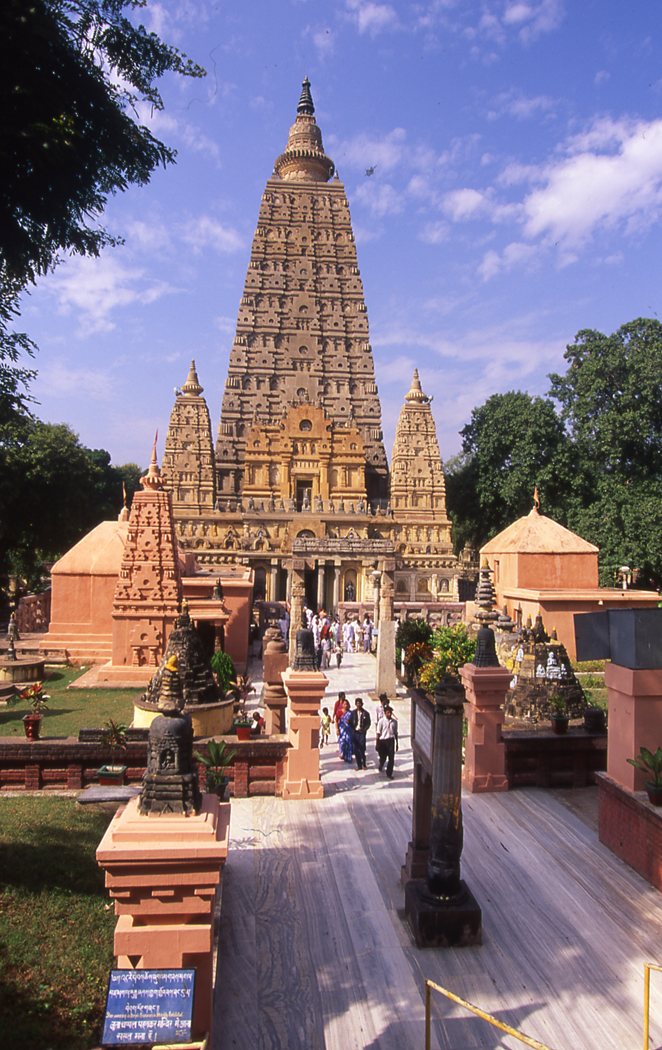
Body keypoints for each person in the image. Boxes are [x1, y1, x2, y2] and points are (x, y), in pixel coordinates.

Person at [376, 705, 398, 779]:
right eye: (388, 713)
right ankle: (381, 764)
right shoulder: (381, 721)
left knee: (391, 758)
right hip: (383, 741)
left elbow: (395, 733)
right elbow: (378, 732)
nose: (389, 714)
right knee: (383, 756)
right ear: (385, 713)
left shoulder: (394, 722)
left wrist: (397, 743)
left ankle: (389, 773)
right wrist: (377, 743)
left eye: (390, 713)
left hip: (391, 740)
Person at [348, 697, 371, 771]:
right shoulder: (353, 713)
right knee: (356, 749)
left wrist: (364, 729)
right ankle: (359, 765)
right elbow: (351, 723)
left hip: (361, 733)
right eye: (357, 704)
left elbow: (368, 723)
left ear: (362, 704)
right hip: (355, 733)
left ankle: (364, 764)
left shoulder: (366, 713)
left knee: (362, 749)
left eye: (359, 703)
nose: (358, 705)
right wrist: (349, 723)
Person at [338, 699, 353, 763]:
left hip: (348, 731)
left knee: (348, 743)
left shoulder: (350, 713)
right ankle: (342, 754)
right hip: (342, 730)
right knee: (342, 743)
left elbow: (353, 722)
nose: (345, 705)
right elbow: (336, 721)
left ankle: (348, 757)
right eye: (344, 704)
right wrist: (337, 729)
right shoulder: (339, 712)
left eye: (346, 704)